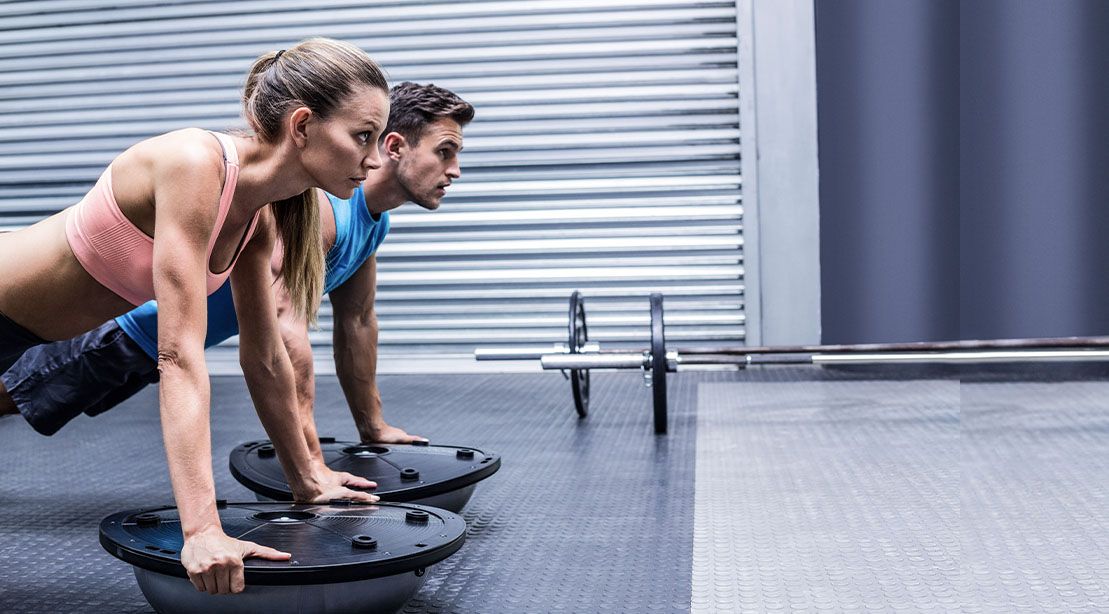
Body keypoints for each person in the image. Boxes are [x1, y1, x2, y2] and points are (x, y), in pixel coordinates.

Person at [0, 38, 388, 595]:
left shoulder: (260, 217)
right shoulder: (195, 163)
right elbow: (178, 355)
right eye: (363, 136)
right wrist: (202, 529)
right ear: (303, 126)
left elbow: (264, 356)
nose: (374, 160)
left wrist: (307, 478)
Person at [0, 83, 474, 463]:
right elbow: (284, 331)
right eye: (445, 152)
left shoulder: (372, 222)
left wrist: (373, 427)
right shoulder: (326, 211)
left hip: (159, 344)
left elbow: (358, 322)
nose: (455, 170)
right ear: (395, 145)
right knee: (9, 398)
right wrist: (308, 464)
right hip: (121, 328)